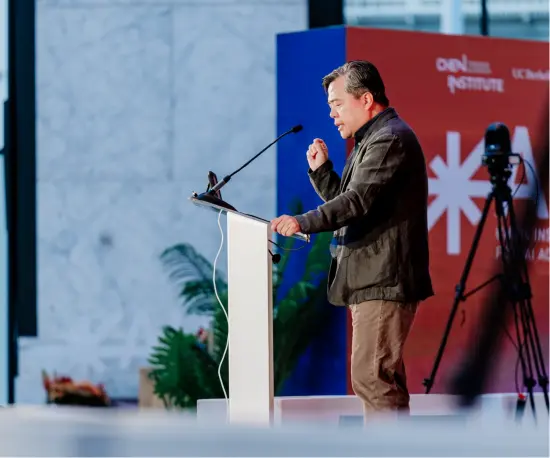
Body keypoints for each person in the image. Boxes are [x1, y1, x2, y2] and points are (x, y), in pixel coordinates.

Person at [271, 60, 433, 419]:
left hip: (384, 280)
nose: (332, 113)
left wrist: (301, 222)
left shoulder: (389, 139)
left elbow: (355, 202)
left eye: (337, 104)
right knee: (378, 381)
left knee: (372, 380)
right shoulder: (373, 139)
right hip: (374, 279)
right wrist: (322, 172)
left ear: (366, 99)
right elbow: (356, 205)